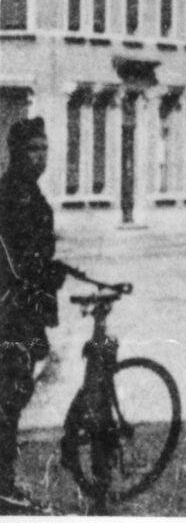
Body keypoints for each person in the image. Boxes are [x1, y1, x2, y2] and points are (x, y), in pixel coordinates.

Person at [0, 118, 69, 508]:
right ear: (16, 152)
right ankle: (3, 483)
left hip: (27, 310)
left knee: (16, 391)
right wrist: (39, 274)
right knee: (11, 393)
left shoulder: (30, 193)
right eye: (32, 149)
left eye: (44, 148)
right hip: (12, 311)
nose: (40, 156)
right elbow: (11, 257)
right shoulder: (11, 195)